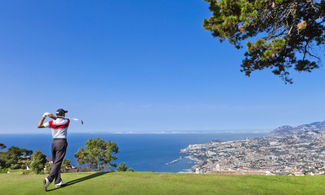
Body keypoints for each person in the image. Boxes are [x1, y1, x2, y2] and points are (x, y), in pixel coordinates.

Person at [37, 108, 70, 191]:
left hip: (54, 143)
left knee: (56, 162)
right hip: (61, 142)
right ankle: (49, 179)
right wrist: (52, 116)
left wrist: (44, 116)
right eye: (64, 113)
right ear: (63, 114)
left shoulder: (51, 123)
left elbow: (39, 126)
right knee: (58, 162)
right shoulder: (66, 121)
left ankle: (58, 181)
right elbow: (58, 119)